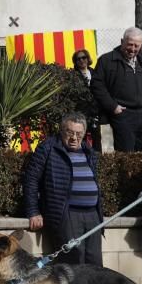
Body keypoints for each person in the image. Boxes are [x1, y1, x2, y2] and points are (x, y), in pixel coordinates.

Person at [22, 112, 103, 266]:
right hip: (66, 213)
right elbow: (31, 180)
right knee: (73, 262)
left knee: (95, 263)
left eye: (79, 134)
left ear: (84, 134)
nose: (74, 138)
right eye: (70, 132)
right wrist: (33, 211)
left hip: (93, 214)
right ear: (62, 131)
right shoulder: (48, 148)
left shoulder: (89, 151)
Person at [90, 28, 142, 151]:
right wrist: (113, 107)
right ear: (122, 41)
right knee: (126, 154)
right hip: (121, 115)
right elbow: (97, 86)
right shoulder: (107, 60)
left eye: (137, 46)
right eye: (130, 44)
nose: (133, 49)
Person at [71, 48, 102, 151]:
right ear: (75, 62)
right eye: (78, 59)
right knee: (81, 136)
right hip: (81, 111)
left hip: (96, 110)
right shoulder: (73, 75)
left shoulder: (95, 73)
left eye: (83, 57)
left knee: (97, 136)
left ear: (88, 59)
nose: (81, 60)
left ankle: (97, 159)